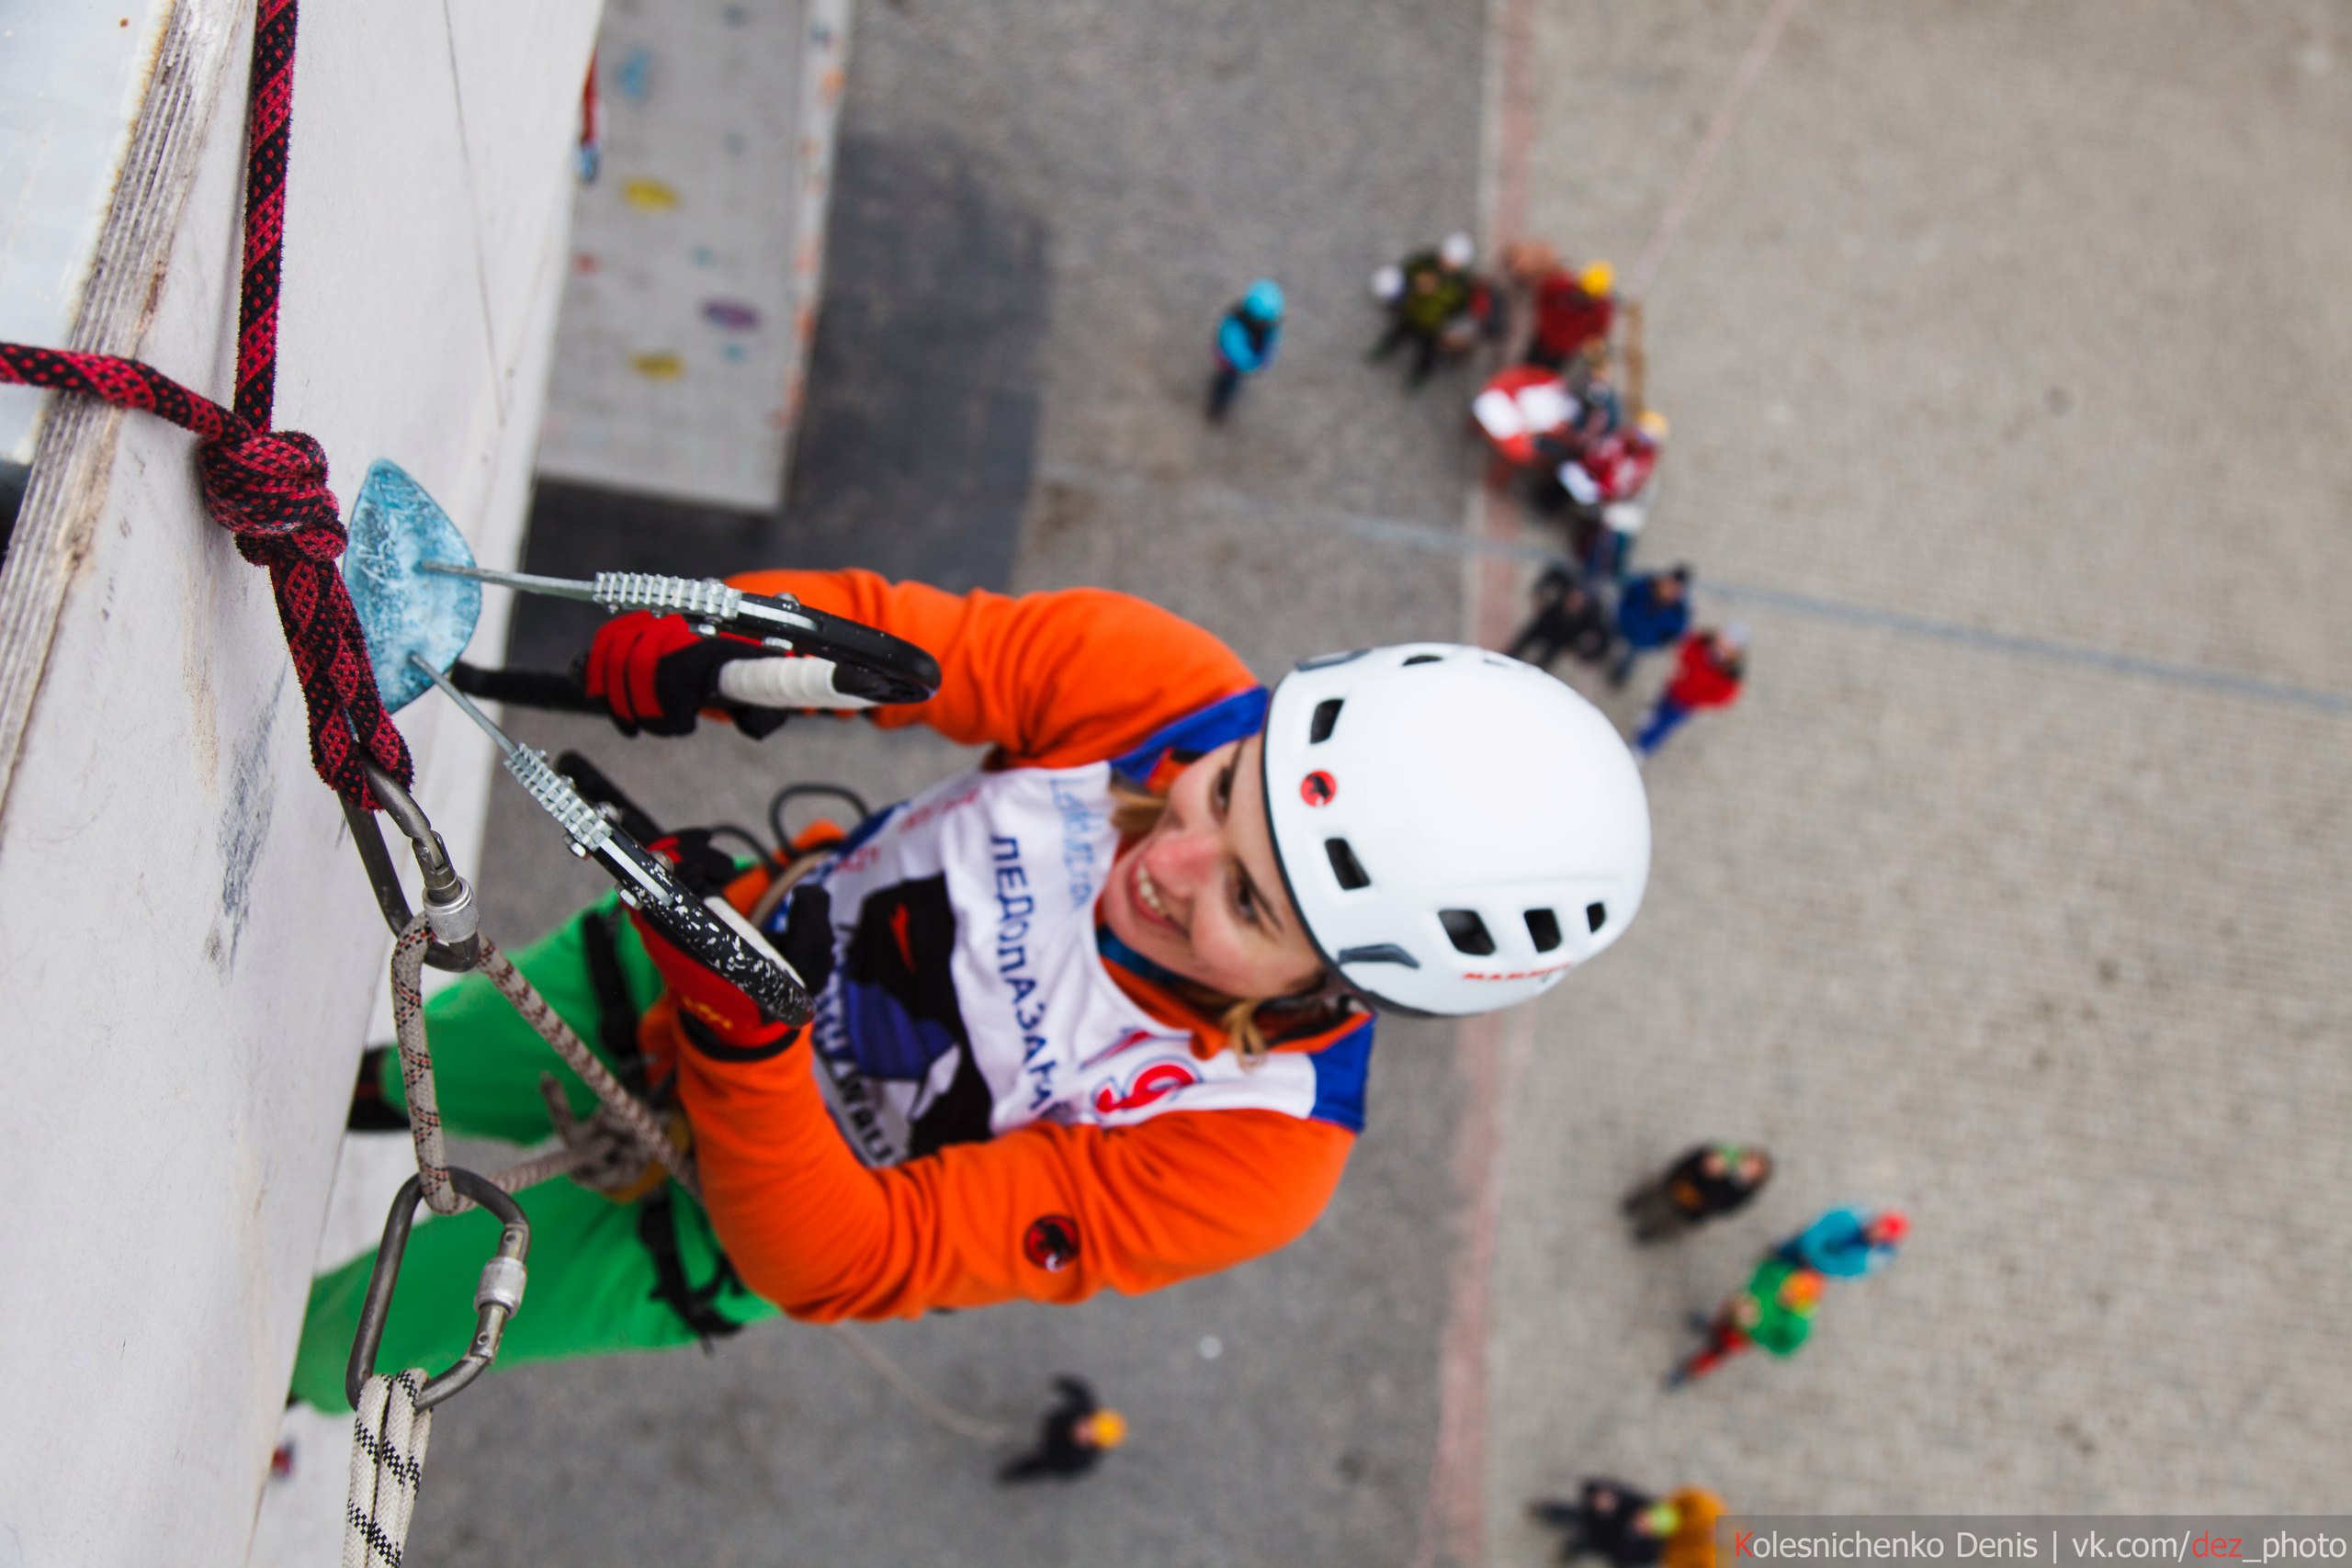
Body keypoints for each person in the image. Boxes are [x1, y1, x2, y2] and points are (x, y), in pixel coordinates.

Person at [288, 572, 1652, 1408]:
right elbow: (905, 642)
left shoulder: (1253, 1149)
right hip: (682, 963)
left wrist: (745, 1036)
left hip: (724, 1205)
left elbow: (847, 1258)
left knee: (340, 1339)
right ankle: (335, 1096)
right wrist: (726, 635)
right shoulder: (1173, 692)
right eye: (1222, 792)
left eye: (1248, 901)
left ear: (1333, 990)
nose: (1165, 860)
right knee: (352, 1067)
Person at [1667, 1255, 1822, 1387]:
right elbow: (1764, 1273)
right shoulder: (1783, 1277)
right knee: (1719, 1324)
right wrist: (1744, 1296)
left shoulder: (1797, 1327)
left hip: (1740, 1336)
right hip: (1733, 1312)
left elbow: (1783, 1349)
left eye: (1792, 1296)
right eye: (1787, 1289)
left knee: (1715, 1351)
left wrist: (1754, 1328)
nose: (1785, 1294)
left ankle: (1687, 1372)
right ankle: (1709, 1326)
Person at [1369, 231, 1500, 387]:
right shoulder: (1426, 263)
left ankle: (1418, 375)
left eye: (1454, 261)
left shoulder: (1462, 285)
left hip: (1433, 325)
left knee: (1427, 352)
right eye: (1447, 257)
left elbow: (1461, 307)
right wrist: (1416, 284)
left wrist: (1446, 323)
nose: (1449, 263)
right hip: (1410, 312)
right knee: (1397, 333)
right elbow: (1405, 273)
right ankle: (1385, 349)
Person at [1560, 409, 1666, 580]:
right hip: (1596, 489)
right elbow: (1596, 460)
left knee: (1616, 534)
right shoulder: (1617, 442)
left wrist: (1612, 496)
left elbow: (1630, 486)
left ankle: (1609, 572)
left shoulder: (1644, 460)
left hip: (1617, 502)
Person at [1621, 1141, 1773, 1243]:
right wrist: (1705, 1167)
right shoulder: (1721, 1156)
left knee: (1671, 1223)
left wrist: (1717, 1179)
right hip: (1679, 1183)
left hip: (1692, 1209)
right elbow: (1691, 1159)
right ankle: (1635, 1202)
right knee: (1654, 1192)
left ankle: (1650, 1233)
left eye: (1754, 1170)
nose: (1747, 1167)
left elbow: (1720, 1207)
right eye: (1750, 1161)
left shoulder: (1742, 1191)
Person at [1633, 625, 1746, 760]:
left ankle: (1641, 748)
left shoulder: (1729, 674)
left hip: (1686, 703)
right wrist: (1686, 665)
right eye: (1724, 640)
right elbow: (1686, 648)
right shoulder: (1703, 642)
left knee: (1664, 725)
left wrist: (1698, 696)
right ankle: (1651, 714)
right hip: (1676, 685)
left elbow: (1723, 697)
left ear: (1735, 653)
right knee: (1661, 703)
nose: (1724, 646)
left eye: (1730, 646)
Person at [1505, 244, 1617, 372]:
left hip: (1562, 352)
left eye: (1588, 297)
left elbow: (1597, 334)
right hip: (1540, 338)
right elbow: (1542, 295)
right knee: (1524, 369)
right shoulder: (1561, 287)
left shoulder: (1600, 310)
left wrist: (1589, 351)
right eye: (1582, 293)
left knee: (1547, 377)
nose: (1583, 298)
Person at [998, 1376, 1127, 1483]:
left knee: (1037, 1465)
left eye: (1088, 1436)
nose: (1082, 1430)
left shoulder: (1080, 1458)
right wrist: (1061, 1383)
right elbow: (1078, 1390)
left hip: (1053, 1450)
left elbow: (1061, 1467)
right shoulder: (1083, 1408)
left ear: (1092, 1445)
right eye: (1087, 1425)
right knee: (1049, 1425)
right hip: (1056, 1423)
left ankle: (1013, 1474)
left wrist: (1050, 1458)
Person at [1531, 1481, 1682, 1566]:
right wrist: (1601, 1497)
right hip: (1593, 1520)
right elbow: (1594, 1485)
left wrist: (1630, 1536)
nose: (1641, 1520)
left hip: (1601, 1544)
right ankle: (1546, 1512)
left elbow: (1620, 1558)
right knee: (1572, 1515)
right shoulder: (1634, 1503)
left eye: (1647, 1525)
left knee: (1582, 1545)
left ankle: (1569, 1552)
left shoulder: (1648, 1550)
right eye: (1644, 1516)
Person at [1507, 563, 1613, 671]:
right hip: (1546, 623)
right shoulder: (1568, 584)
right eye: (1571, 601)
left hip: (1561, 639)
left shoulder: (1591, 616)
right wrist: (1539, 592)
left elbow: (1605, 639)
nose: (1572, 605)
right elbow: (1553, 573)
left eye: (1577, 604)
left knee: (1542, 665)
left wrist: (1584, 655)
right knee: (1520, 645)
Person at [1208, 278, 1284, 423]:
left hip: (1242, 361)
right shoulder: (1236, 324)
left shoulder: (1268, 327)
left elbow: (1270, 344)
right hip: (1231, 364)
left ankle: (1218, 406)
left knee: (1230, 384)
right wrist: (1253, 364)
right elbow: (1235, 349)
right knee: (1226, 385)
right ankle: (1216, 408)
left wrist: (1264, 361)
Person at [1607, 567, 1691, 689]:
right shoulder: (1644, 585)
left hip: (1642, 640)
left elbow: (1674, 634)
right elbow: (1626, 595)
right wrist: (1622, 615)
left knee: (1630, 658)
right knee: (1611, 640)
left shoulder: (1679, 611)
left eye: (1675, 588)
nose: (1670, 589)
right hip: (1623, 625)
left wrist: (1655, 642)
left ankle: (1619, 674)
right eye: (1670, 584)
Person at [1776, 1206, 1907, 1278]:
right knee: (1782, 1253)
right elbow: (1822, 1227)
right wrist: (1809, 1247)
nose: (1876, 1232)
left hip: (1813, 1266)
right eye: (1879, 1226)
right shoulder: (1852, 1217)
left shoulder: (1870, 1259)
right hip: (1802, 1245)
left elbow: (1841, 1268)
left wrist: (1814, 1261)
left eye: (1882, 1232)